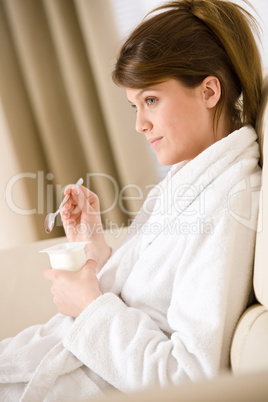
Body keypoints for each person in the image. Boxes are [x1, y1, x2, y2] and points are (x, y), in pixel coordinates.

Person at [0, 0, 263, 400]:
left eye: (151, 101)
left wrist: (89, 306)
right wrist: (94, 246)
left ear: (209, 91)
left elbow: (189, 378)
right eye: (134, 106)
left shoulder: (229, 204)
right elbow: (145, 298)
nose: (140, 124)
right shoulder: (188, 182)